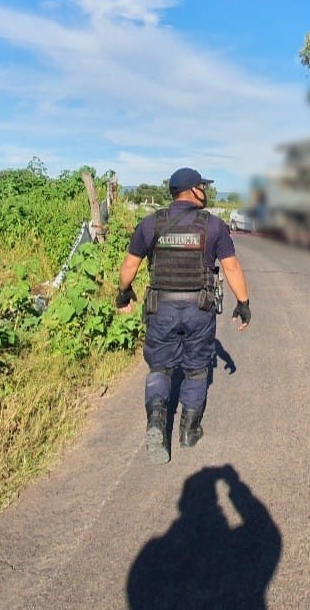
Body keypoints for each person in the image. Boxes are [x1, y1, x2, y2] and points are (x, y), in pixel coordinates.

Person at [116, 167, 251, 464]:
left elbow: (129, 266)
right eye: (202, 186)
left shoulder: (151, 224)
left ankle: (155, 424)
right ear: (192, 189)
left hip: (160, 308)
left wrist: (123, 293)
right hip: (198, 310)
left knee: (160, 369)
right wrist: (243, 303)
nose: (206, 191)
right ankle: (189, 431)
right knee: (196, 370)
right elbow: (231, 268)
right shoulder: (213, 225)